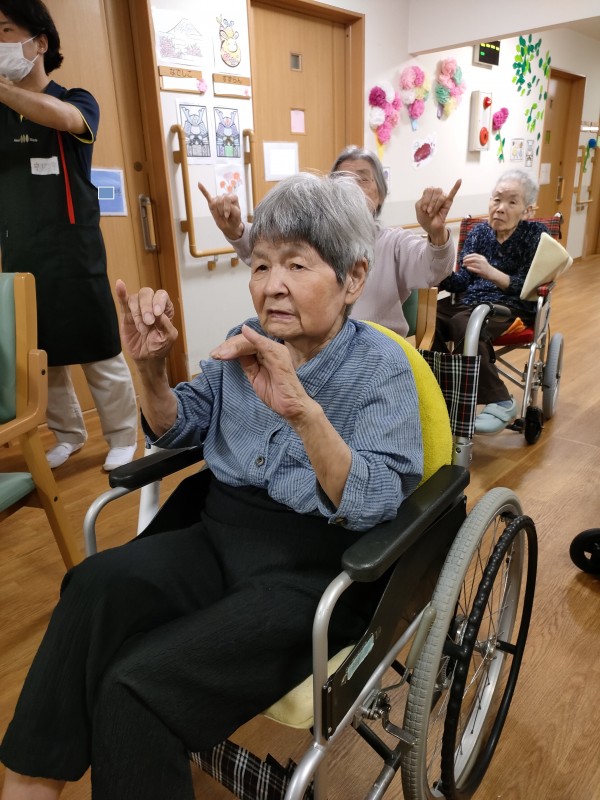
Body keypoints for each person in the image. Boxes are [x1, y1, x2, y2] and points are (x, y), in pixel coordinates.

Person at [0, 172, 423, 800]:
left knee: (135, 685)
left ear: (353, 278)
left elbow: (378, 499)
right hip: (217, 531)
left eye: (296, 264)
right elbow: (180, 423)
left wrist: (304, 413)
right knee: (91, 586)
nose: (272, 285)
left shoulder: (382, 366)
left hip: (312, 569)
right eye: (261, 264)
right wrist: (149, 371)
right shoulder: (244, 340)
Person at [0, 0, 138, 471]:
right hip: (21, 248)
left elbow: (62, 119)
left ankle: (123, 435)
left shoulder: (77, 99)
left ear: (39, 42)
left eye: (5, 30)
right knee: (43, 354)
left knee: (99, 347)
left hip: (75, 250)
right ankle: (68, 434)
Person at [199, 144, 461, 337]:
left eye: (363, 178)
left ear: (380, 193)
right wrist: (235, 229)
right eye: (342, 178)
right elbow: (268, 252)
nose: (352, 186)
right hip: (318, 348)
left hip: (377, 352)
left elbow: (434, 270)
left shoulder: (394, 242)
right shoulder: (314, 237)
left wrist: (436, 233)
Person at [433, 169, 548, 434]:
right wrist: (440, 272)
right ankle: (438, 394)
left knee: (465, 322)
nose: (500, 208)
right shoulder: (478, 233)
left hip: (512, 309)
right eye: (497, 199)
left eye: (512, 202)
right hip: (470, 302)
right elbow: (462, 281)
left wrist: (492, 273)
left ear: (527, 210)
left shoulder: (536, 235)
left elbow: (531, 288)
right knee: (431, 316)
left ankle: (501, 400)